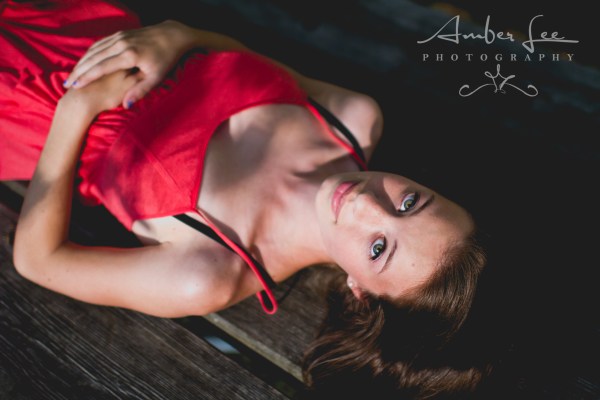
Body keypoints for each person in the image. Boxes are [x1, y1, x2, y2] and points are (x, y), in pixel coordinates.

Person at [1, 0, 489, 397]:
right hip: (75, 22)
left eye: (379, 248)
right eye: (410, 203)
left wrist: (76, 109)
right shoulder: (352, 118)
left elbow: (39, 260)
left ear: (359, 292)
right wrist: (180, 36)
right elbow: (235, 57)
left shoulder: (210, 273)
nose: (367, 205)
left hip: (21, 109)